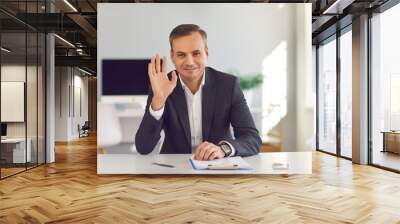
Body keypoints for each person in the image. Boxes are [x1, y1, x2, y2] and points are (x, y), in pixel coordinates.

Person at [135, 24, 261, 160]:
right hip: (175, 169)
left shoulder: (228, 85)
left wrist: (223, 149)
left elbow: (252, 139)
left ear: (206, 53)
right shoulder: (161, 86)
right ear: (172, 56)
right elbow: (143, 147)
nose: (189, 62)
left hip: (218, 167)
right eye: (181, 55)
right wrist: (158, 101)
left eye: (196, 53)